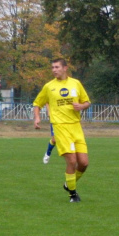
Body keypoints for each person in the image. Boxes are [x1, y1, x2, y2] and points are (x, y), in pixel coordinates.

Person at [33, 58, 91, 203]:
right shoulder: (49, 86)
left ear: (65, 68)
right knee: (71, 161)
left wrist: (81, 107)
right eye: (52, 67)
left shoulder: (75, 83)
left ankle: (68, 184)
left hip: (76, 127)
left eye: (57, 67)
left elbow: (87, 102)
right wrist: (37, 118)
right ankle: (73, 194)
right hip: (60, 127)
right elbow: (37, 103)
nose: (54, 70)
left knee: (83, 163)